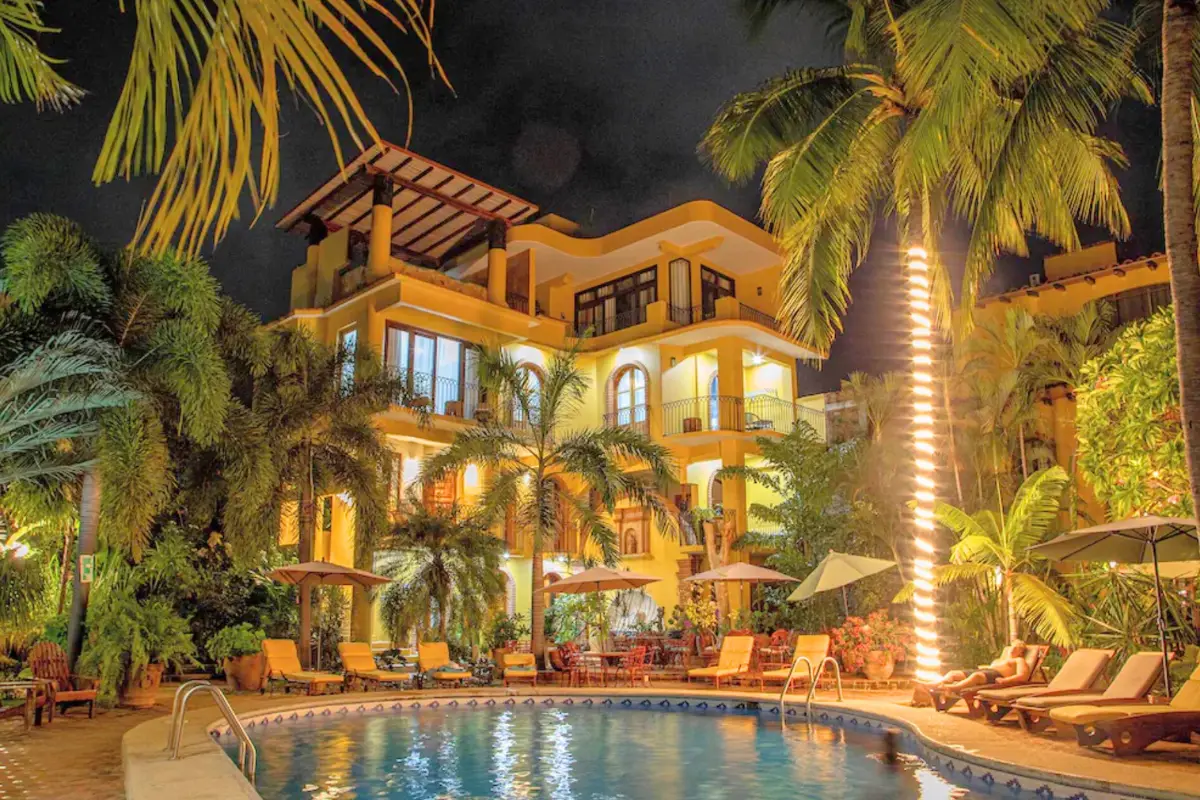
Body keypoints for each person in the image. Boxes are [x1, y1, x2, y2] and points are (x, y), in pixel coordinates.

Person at [932, 641, 1031, 692]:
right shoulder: (1002, 660)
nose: (1012, 648)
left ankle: (953, 688)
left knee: (976, 676)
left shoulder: (1019, 660)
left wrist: (1005, 681)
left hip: (997, 675)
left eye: (1016, 647)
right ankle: (933, 685)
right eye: (1012, 646)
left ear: (1021, 652)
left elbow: (1023, 676)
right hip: (986, 671)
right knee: (952, 673)